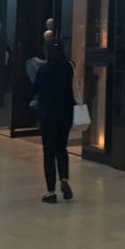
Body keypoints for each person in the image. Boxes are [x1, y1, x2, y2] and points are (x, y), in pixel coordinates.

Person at [30, 42, 75, 203]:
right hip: (66, 114)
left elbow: (34, 88)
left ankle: (51, 192)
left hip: (48, 114)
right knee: (62, 148)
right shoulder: (68, 68)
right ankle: (64, 179)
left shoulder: (44, 70)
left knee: (49, 153)